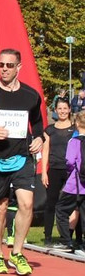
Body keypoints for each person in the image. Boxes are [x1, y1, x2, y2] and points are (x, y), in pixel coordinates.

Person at [0, 49, 44, 276]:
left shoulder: (30, 95)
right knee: (1, 207)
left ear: (19, 67)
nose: (4, 69)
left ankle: (17, 252)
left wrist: (39, 138)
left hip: (23, 157)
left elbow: (37, 123)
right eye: (1, 64)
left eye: (9, 65)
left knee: (26, 203)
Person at [42, 98, 74, 247]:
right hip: (54, 170)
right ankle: (48, 237)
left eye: (65, 108)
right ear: (55, 110)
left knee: (73, 204)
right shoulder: (49, 130)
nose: (62, 111)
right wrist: (44, 172)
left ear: (69, 110)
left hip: (71, 171)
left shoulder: (75, 129)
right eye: (60, 108)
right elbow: (45, 151)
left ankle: (69, 238)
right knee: (51, 204)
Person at [56, 112, 85, 255]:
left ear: (77, 124)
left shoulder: (74, 141)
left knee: (61, 209)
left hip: (75, 183)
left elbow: (69, 161)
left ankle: (66, 241)